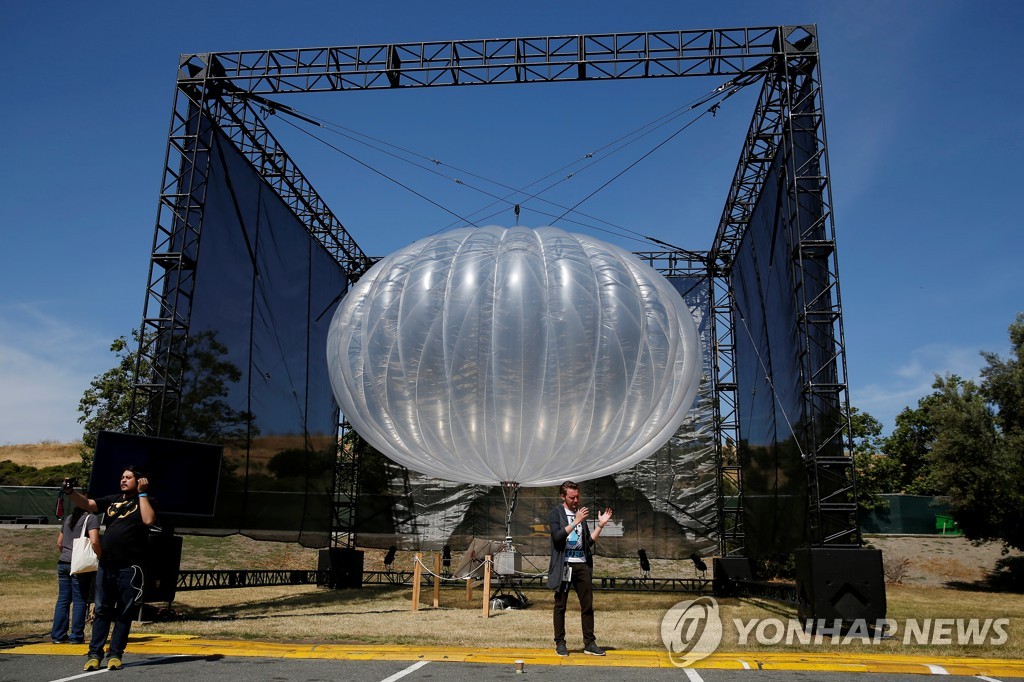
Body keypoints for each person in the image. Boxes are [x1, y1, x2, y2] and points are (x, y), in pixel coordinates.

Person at [64, 467, 157, 671]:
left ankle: (115, 654)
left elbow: (149, 520)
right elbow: (88, 504)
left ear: (140, 480)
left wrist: (142, 493)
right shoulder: (113, 499)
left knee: (124, 612)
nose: (123, 480)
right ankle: (94, 654)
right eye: (122, 476)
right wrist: (71, 492)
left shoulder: (145, 501)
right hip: (107, 565)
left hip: (130, 567)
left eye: (128, 477)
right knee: (102, 610)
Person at [546, 480, 612, 657]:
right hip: (564, 565)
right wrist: (575, 522)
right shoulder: (556, 514)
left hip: (582, 564)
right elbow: (557, 538)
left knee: (587, 606)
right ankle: (560, 643)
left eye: (577, 497)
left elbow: (587, 543)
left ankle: (589, 643)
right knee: (560, 605)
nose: (575, 501)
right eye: (572, 497)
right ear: (563, 496)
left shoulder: (580, 514)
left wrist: (600, 525)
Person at [50, 506, 101, 644]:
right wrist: (100, 555)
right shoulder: (91, 519)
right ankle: (76, 635)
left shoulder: (68, 519)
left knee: (63, 599)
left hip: (63, 563)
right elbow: (95, 541)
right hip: (79, 565)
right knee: (80, 600)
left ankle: (58, 635)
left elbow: (59, 543)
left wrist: (66, 554)